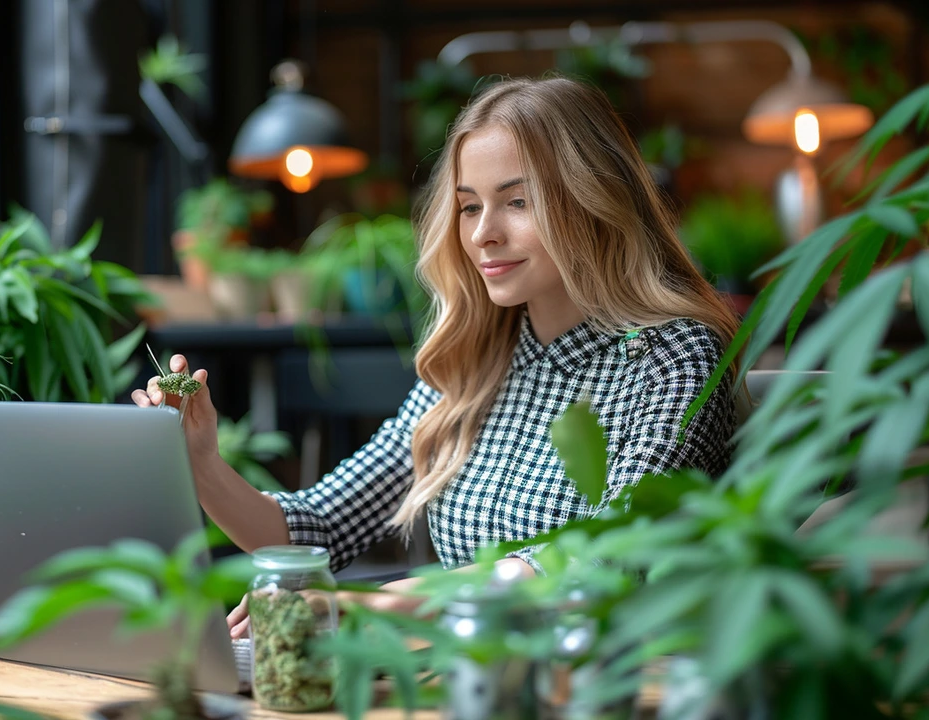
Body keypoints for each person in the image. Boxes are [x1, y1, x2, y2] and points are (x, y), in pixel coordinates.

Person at [132, 77, 739, 636]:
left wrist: (389, 602)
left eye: (517, 202)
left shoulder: (672, 357)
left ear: (594, 201)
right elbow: (318, 526)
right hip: (466, 683)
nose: (481, 234)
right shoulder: (474, 362)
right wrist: (202, 463)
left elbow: (610, 560)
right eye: (470, 205)